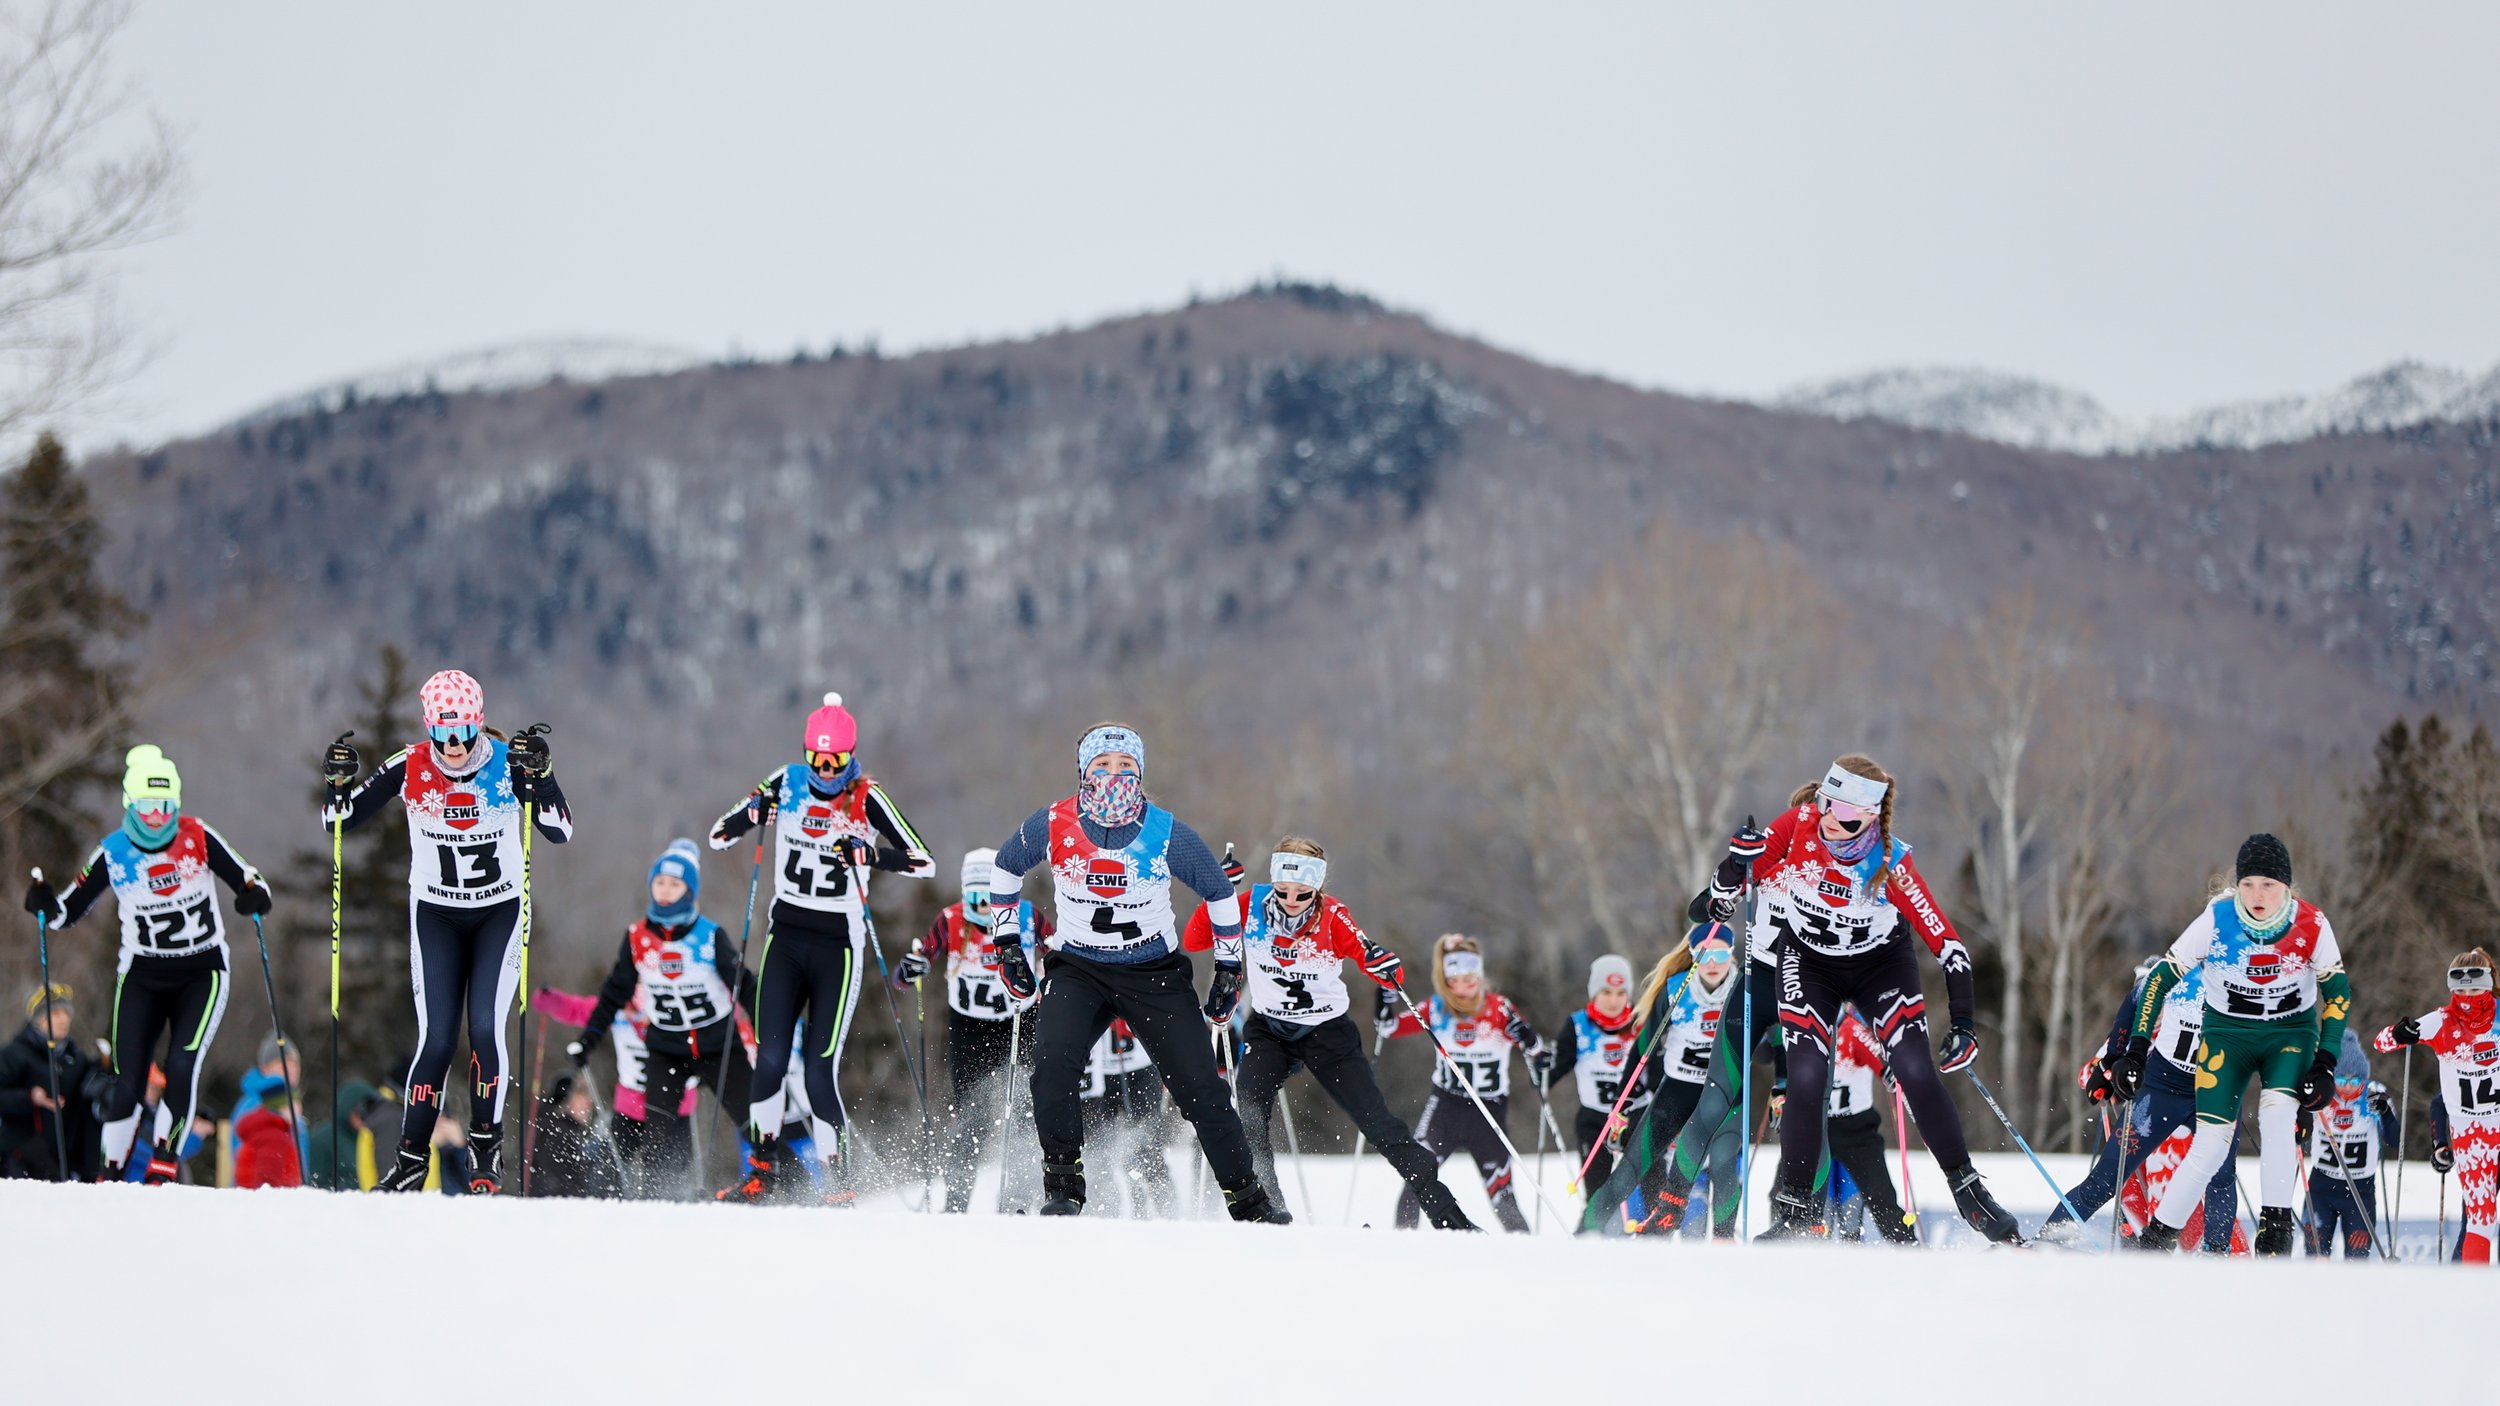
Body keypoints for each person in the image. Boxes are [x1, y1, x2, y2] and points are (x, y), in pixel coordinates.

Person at [1702, 756, 2017, 1242]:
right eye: (1826, 803)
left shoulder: (1892, 862)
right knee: (1805, 1074)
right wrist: (1735, 863)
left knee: (1913, 1068)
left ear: (1872, 817)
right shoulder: (1801, 823)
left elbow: (1948, 944)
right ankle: (1795, 1212)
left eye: (1844, 816)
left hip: (1879, 966)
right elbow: (1732, 887)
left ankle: (1971, 1194)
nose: (1829, 820)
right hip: (1809, 963)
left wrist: (1964, 1023)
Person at [983, 722, 1284, 1222]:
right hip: (1078, 966)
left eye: (1126, 767)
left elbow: (1220, 893)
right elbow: (1004, 867)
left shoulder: (1165, 831)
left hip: (1153, 972)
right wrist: (1007, 944)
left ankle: (1248, 1200)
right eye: (1102, 766)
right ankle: (1063, 1186)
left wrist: (1230, 969)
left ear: (1141, 774)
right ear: (1083, 772)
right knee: (1053, 1068)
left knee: (1199, 1088)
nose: (1114, 775)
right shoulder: (1053, 823)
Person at [322, 670, 574, 1193]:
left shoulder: (507, 765)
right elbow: (338, 820)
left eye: (462, 733)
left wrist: (543, 776)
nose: (453, 746)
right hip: (435, 915)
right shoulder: (409, 765)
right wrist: (338, 783)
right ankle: (412, 1160)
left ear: (479, 725)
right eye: (442, 733)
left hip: (497, 915)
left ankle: (486, 1148)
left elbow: (560, 829)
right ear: (428, 728)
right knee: (435, 1040)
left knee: (484, 1029)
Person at [707, 692, 932, 1203]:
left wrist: (869, 852)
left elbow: (923, 860)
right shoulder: (785, 783)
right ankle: (762, 1169)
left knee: (816, 1071)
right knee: (768, 1060)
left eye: (834, 761)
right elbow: (721, 834)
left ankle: (839, 1181)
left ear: (851, 756)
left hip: (839, 946)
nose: (824, 771)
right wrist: (754, 814)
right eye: (816, 759)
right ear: (804, 753)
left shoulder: (866, 796)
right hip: (785, 937)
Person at [1184, 838, 1474, 1230]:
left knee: (1379, 1125)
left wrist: (1384, 965)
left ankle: (1447, 1214)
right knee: (1248, 1109)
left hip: (1327, 1036)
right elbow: (1195, 939)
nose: (1291, 901)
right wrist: (1217, 895)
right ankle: (1266, 1211)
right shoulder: (1251, 903)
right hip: (1270, 1031)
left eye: (1302, 894)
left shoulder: (1333, 915)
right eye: (1283, 891)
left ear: (1316, 888)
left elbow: (1382, 966)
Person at [23, 745, 272, 1183]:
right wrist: (44, 906)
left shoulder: (196, 835)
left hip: (203, 971)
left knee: (181, 1064)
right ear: (129, 804)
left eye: (165, 805)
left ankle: (164, 1158)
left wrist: (255, 897)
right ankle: (111, 1167)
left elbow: (248, 879)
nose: (158, 817)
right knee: (128, 1077)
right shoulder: (114, 852)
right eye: (147, 806)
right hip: (142, 974)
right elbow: (68, 911)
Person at [2121, 834, 2352, 1256]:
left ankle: (2276, 1231)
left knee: (2279, 1114)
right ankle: (2156, 1240)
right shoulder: (2217, 920)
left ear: (2286, 886)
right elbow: (2159, 978)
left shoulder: (2310, 924)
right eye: (2247, 884)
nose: (2257, 895)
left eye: (2268, 885)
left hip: (2288, 1034)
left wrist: (2325, 1062)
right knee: (2210, 1144)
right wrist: (2137, 1047)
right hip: (2227, 1035)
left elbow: (2338, 992)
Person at [566, 839, 752, 1199]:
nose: (666, 891)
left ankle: (787, 1182)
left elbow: (744, 987)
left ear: (690, 889)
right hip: (666, 1046)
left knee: (751, 1116)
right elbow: (613, 993)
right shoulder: (638, 938)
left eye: (675, 884)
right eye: (660, 883)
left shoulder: (709, 936)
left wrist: (767, 1022)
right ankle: (660, 1201)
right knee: (658, 1132)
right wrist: (588, 1039)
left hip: (717, 1043)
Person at [2037, 957, 2239, 1251]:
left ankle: (2217, 1254)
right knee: (2106, 1178)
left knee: (2221, 1176)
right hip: (2162, 1093)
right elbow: (2132, 1003)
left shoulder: (2251, 984)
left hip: (2216, 1094)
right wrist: (2111, 1060)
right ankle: (2047, 1241)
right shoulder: (2174, 975)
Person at [894, 847, 1049, 1213]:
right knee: (970, 1119)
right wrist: (910, 970)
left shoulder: (1026, 918)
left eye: (991, 897)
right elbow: (912, 968)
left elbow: (1058, 950)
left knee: (1026, 1112)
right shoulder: (950, 920)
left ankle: (1018, 1201)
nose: (983, 907)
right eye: (974, 898)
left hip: (1019, 1022)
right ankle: (956, 1203)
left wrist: (1057, 969)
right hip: (970, 1027)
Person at [1380, 932, 1547, 1233]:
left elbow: (1535, 1048)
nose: (1462, 989)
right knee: (1416, 1174)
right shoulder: (1435, 1009)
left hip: (1488, 1111)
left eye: (1469, 981)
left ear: (1479, 978)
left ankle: (1525, 1248)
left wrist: (1526, 1036)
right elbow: (1389, 1028)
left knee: (1502, 1193)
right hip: (1446, 1106)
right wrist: (1385, 996)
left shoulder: (1498, 1008)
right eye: (1454, 982)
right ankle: (1401, 1241)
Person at [2372, 946, 2497, 1262]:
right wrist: (2401, 1032)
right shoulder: (2443, 1021)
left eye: (2476, 989)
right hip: (2471, 1131)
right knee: (2481, 1216)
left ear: (2489, 984)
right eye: (2461, 989)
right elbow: (2382, 1042)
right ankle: (2474, 1289)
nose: (2468, 997)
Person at [1549, 954, 1643, 1201]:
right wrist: (1540, 1073)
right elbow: (1557, 1067)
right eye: (1606, 992)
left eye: (1621, 993)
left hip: (1635, 1117)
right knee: (1598, 1194)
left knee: (1643, 1188)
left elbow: (1658, 1071)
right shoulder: (1578, 1025)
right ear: (1594, 993)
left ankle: (1648, 1233)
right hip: (1595, 1119)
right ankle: (1596, 1231)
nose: (1614, 1000)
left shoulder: (1641, 1022)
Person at [1822, 1006, 1915, 1244]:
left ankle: (1908, 1250)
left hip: (1856, 1131)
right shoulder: (1803, 1027)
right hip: (1815, 1130)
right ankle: (1787, 1251)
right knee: (1791, 1194)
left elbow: (1881, 1061)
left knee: (1881, 1199)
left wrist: (1893, 1071)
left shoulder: (1852, 1030)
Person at [0, 983, 108, 1182]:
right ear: (38, 1019)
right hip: (21, 1155)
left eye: (66, 1013)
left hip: (66, 1159)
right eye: (55, 1013)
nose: (64, 1019)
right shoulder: (15, 1054)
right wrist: (29, 1097)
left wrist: (103, 1069)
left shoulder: (75, 1057)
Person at [2301, 1032, 2391, 1260]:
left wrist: (2386, 1114)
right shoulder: (2321, 1095)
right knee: (2316, 1257)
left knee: (2357, 1260)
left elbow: (2395, 1140)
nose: (2348, 1088)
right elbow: (2298, 1125)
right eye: (2341, 1080)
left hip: (2360, 1191)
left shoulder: (2373, 1096)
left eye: (2355, 1081)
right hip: (2322, 1188)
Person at [1077, 1019, 1175, 1218]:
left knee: (1149, 1145)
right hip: (1097, 1073)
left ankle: (1167, 1210)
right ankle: (1102, 1212)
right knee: (1097, 1149)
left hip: (1139, 1070)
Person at [528, 1070, 625, 1199]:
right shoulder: (556, 1133)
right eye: (582, 1093)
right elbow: (563, 1186)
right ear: (566, 1098)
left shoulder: (556, 1128)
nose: (589, 1102)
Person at [303, 1079, 392, 1190]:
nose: (366, 1118)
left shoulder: (375, 1138)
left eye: (372, 1112)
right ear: (348, 1109)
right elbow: (313, 1184)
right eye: (361, 1112)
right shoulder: (324, 1140)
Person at [232, 1080, 304, 1189]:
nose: (300, 1110)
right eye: (295, 1104)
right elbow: (267, 1183)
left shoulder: (265, 1131)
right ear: (282, 1106)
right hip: (271, 1204)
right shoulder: (274, 1137)